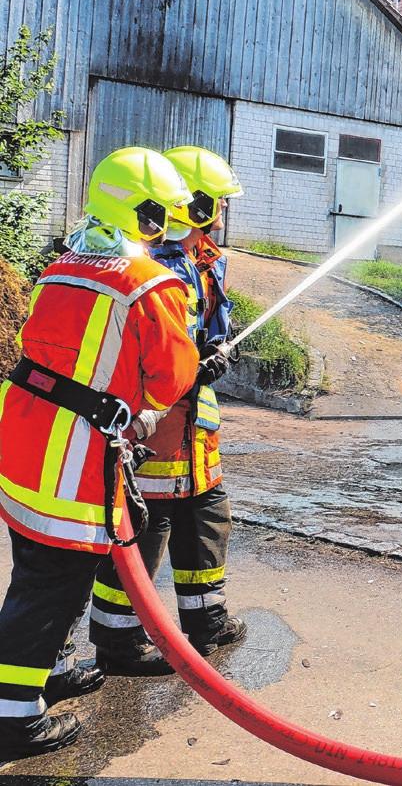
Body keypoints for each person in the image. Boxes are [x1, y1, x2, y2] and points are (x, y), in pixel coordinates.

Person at [0, 147, 200, 760]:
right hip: (73, 464)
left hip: (25, 444)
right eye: (164, 216)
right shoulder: (148, 284)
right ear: (146, 217)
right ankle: (13, 717)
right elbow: (171, 372)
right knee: (48, 589)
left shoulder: (61, 268)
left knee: (38, 571)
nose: (169, 228)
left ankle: (49, 672)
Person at [90, 146, 246, 675]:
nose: (222, 214)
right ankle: (119, 641)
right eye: (217, 203)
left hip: (195, 428)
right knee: (144, 526)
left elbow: (210, 328)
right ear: (195, 205)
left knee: (207, 516)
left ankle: (206, 620)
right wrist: (185, 365)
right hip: (155, 425)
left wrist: (218, 351)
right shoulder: (149, 266)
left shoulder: (207, 262)